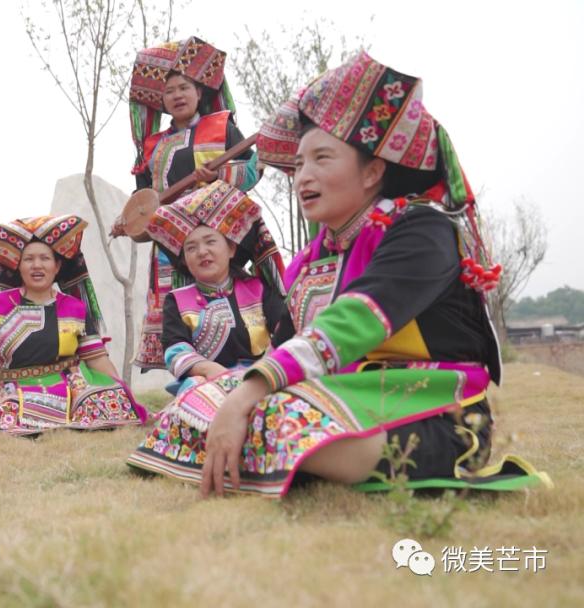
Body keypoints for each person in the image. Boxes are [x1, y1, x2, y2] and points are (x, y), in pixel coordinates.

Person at [128, 51, 548, 497]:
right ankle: (263, 451)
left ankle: (267, 452)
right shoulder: (314, 257)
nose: (302, 177)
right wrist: (235, 391)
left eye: (322, 159)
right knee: (196, 401)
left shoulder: (422, 230)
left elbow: (351, 323)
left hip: (432, 408)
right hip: (338, 393)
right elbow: (286, 344)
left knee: (275, 416)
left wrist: (248, 395)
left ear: (372, 171)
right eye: (299, 164)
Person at [127, 36, 262, 371]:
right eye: (169, 90)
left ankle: (242, 368)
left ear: (199, 92)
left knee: (231, 305)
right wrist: (129, 219)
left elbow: (253, 169)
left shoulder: (222, 127)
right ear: (162, 100)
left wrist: (218, 177)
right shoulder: (153, 146)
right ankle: (188, 376)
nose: (177, 95)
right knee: (177, 308)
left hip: (219, 236)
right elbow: (143, 196)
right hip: (170, 243)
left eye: (184, 87)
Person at [0, 214, 145, 435]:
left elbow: (97, 359)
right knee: (9, 410)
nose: (37, 265)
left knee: (101, 399)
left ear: (57, 266)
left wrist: (125, 396)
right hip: (14, 390)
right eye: (29, 259)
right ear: (19, 266)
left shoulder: (75, 308)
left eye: (45, 258)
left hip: (70, 387)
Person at [146, 180, 288, 396]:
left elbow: (284, 330)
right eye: (191, 248)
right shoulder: (177, 300)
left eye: (210, 242)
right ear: (184, 260)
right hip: (207, 384)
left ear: (231, 248)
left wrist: (265, 371)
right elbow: (175, 348)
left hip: (263, 378)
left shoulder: (257, 289)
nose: (202, 252)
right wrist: (208, 370)